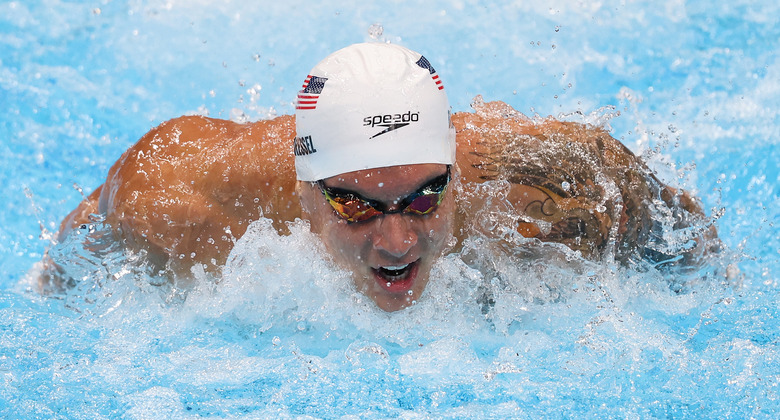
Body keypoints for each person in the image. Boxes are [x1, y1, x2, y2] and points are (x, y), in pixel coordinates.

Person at [45, 43, 718, 311]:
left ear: (455, 174)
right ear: (305, 191)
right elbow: (81, 245)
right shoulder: (185, 199)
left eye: (425, 199)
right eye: (355, 207)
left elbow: (667, 220)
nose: (396, 240)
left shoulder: (520, 183)